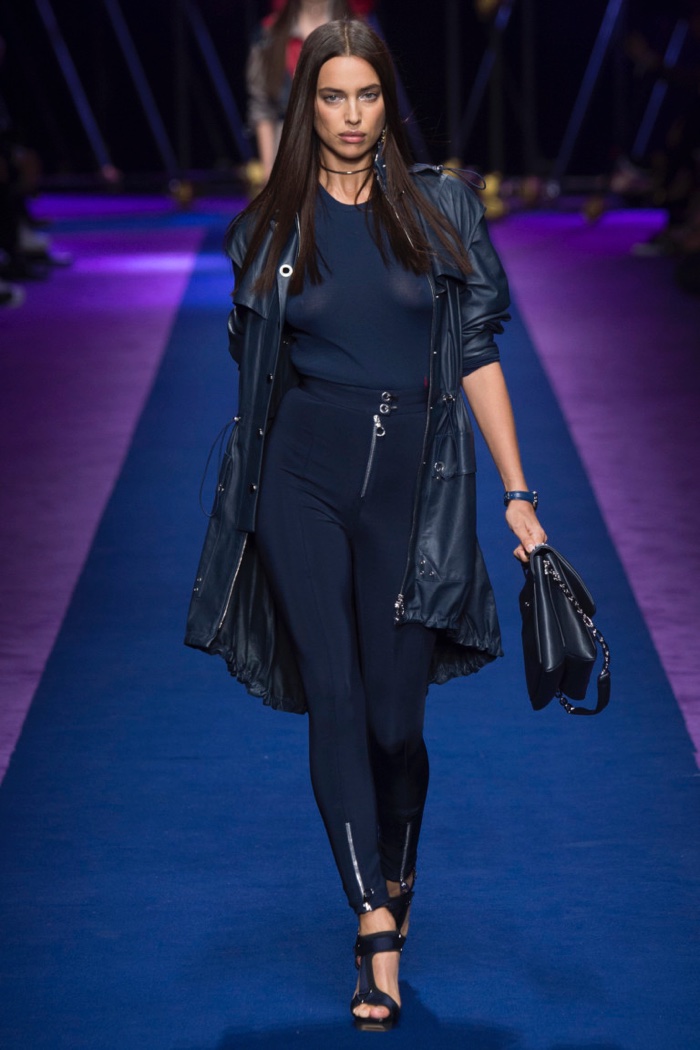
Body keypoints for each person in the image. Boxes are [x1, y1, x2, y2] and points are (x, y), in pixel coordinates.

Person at [186, 17, 546, 1030]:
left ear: (389, 100)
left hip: (413, 487)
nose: (351, 116)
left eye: (368, 94)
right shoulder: (269, 226)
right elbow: (257, 371)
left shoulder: (440, 207)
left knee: (396, 723)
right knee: (336, 700)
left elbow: (475, 351)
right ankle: (372, 923)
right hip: (301, 478)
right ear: (307, 106)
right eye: (332, 96)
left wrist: (519, 497)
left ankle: (399, 869)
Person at [246, 0, 361, 182]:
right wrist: (269, 169)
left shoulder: (357, 31)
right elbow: (262, 105)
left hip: (345, 148)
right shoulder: (270, 33)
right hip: (289, 152)